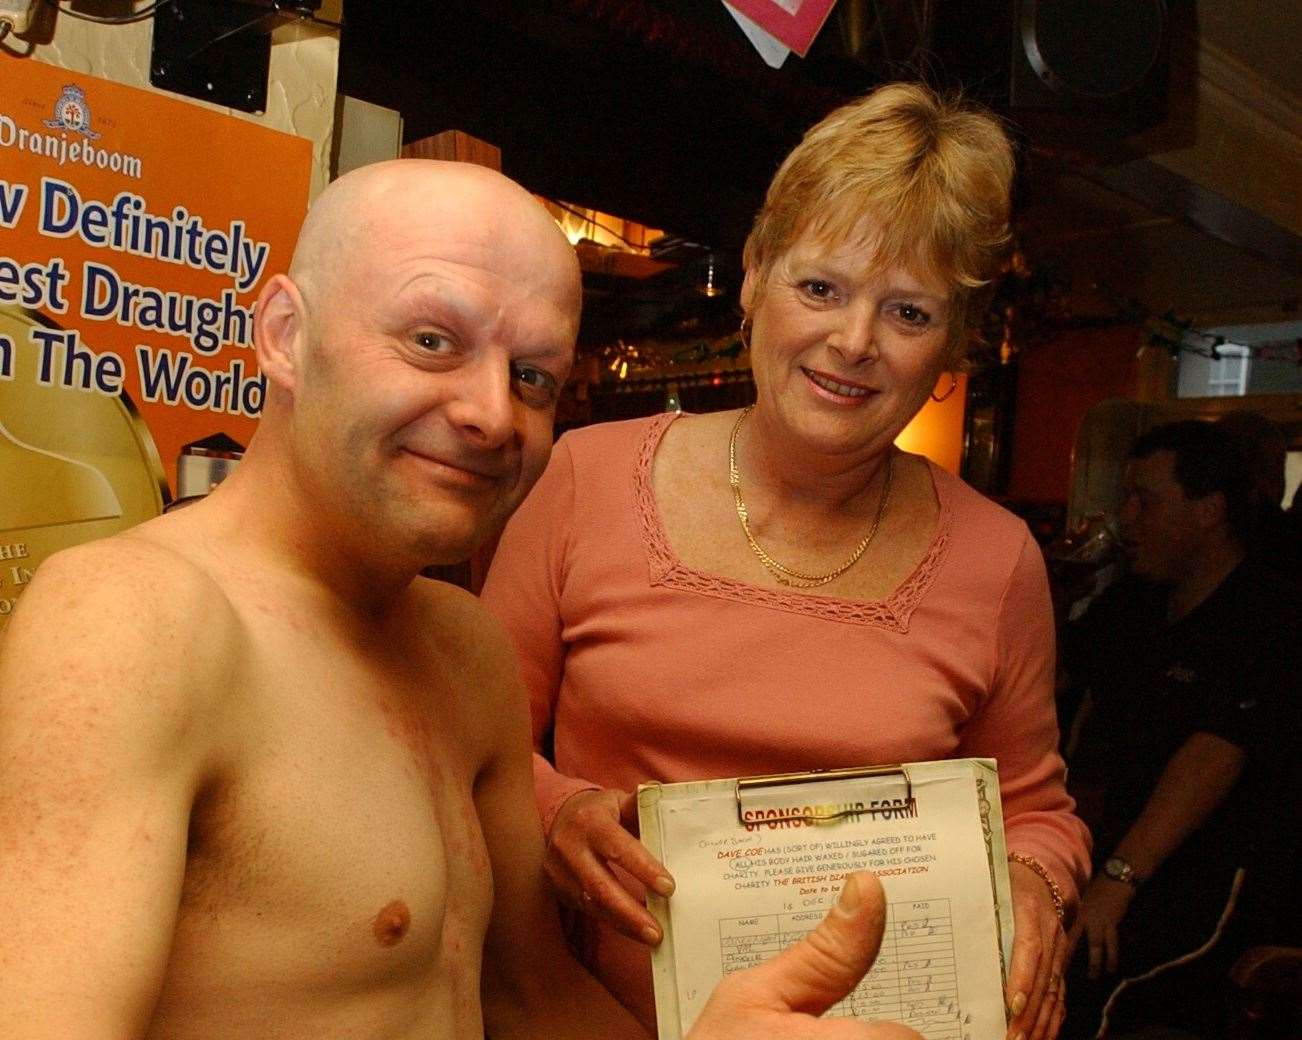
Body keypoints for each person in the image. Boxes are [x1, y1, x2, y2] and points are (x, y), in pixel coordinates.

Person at [0, 160, 922, 1040]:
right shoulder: (134, 622)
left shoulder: (465, 650)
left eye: (531, 376)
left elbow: (532, 1004)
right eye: (432, 341)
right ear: (285, 334)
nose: (489, 413)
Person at [482, 82, 1091, 1040]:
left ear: (952, 346)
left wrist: (1035, 891)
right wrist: (557, 809)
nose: (853, 342)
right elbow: (468, 736)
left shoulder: (997, 559)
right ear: (757, 273)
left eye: (908, 312)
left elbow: (1034, 809)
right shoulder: (583, 480)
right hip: (582, 1018)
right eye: (822, 288)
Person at [1060, 420, 1300, 1037]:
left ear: (1209, 510)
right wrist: (1056, 593)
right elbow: (1055, 683)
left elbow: (1215, 753)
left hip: (1211, 882)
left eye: (1147, 500)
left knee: (1092, 995)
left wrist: (1118, 879)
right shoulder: (1134, 604)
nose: (1127, 518)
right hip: (1111, 852)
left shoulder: (1268, 615)